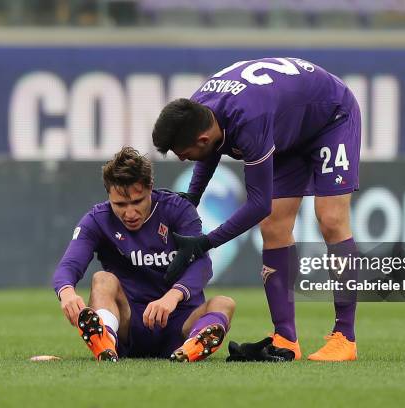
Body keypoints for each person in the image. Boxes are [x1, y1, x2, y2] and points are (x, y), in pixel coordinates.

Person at [152, 57, 360, 362]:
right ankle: (286, 338)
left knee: (331, 220)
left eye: (185, 154)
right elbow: (210, 151)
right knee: (274, 227)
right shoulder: (198, 108)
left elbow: (258, 204)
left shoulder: (248, 119)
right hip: (287, 128)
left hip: (331, 117)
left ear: (201, 138)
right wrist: (192, 197)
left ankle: (345, 337)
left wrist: (205, 243)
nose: (184, 160)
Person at [51, 146, 235, 362]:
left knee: (224, 303)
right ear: (108, 194)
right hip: (130, 324)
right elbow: (69, 265)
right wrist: (67, 293)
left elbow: (202, 265)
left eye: (137, 201)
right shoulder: (97, 219)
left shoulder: (178, 210)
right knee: (102, 279)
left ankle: (191, 348)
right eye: (120, 204)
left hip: (181, 320)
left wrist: (172, 297)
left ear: (150, 188)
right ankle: (105, 342)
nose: (129, 213)